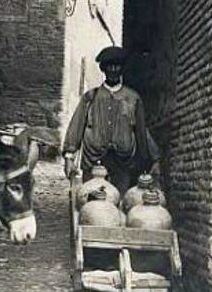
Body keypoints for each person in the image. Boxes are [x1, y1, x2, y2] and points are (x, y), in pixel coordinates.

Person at [62, 45, 160, 194]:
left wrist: (154, 159)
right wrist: (69, 157)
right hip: (94, 161)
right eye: (110, 66)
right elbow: (76, 127)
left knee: (120, 203)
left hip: (123, 163)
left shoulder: (133, 98)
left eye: (117, 66)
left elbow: (142, 131)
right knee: (93, 206)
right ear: (103, 69)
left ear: (122, 69)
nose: (113, 70)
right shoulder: (91, 97)